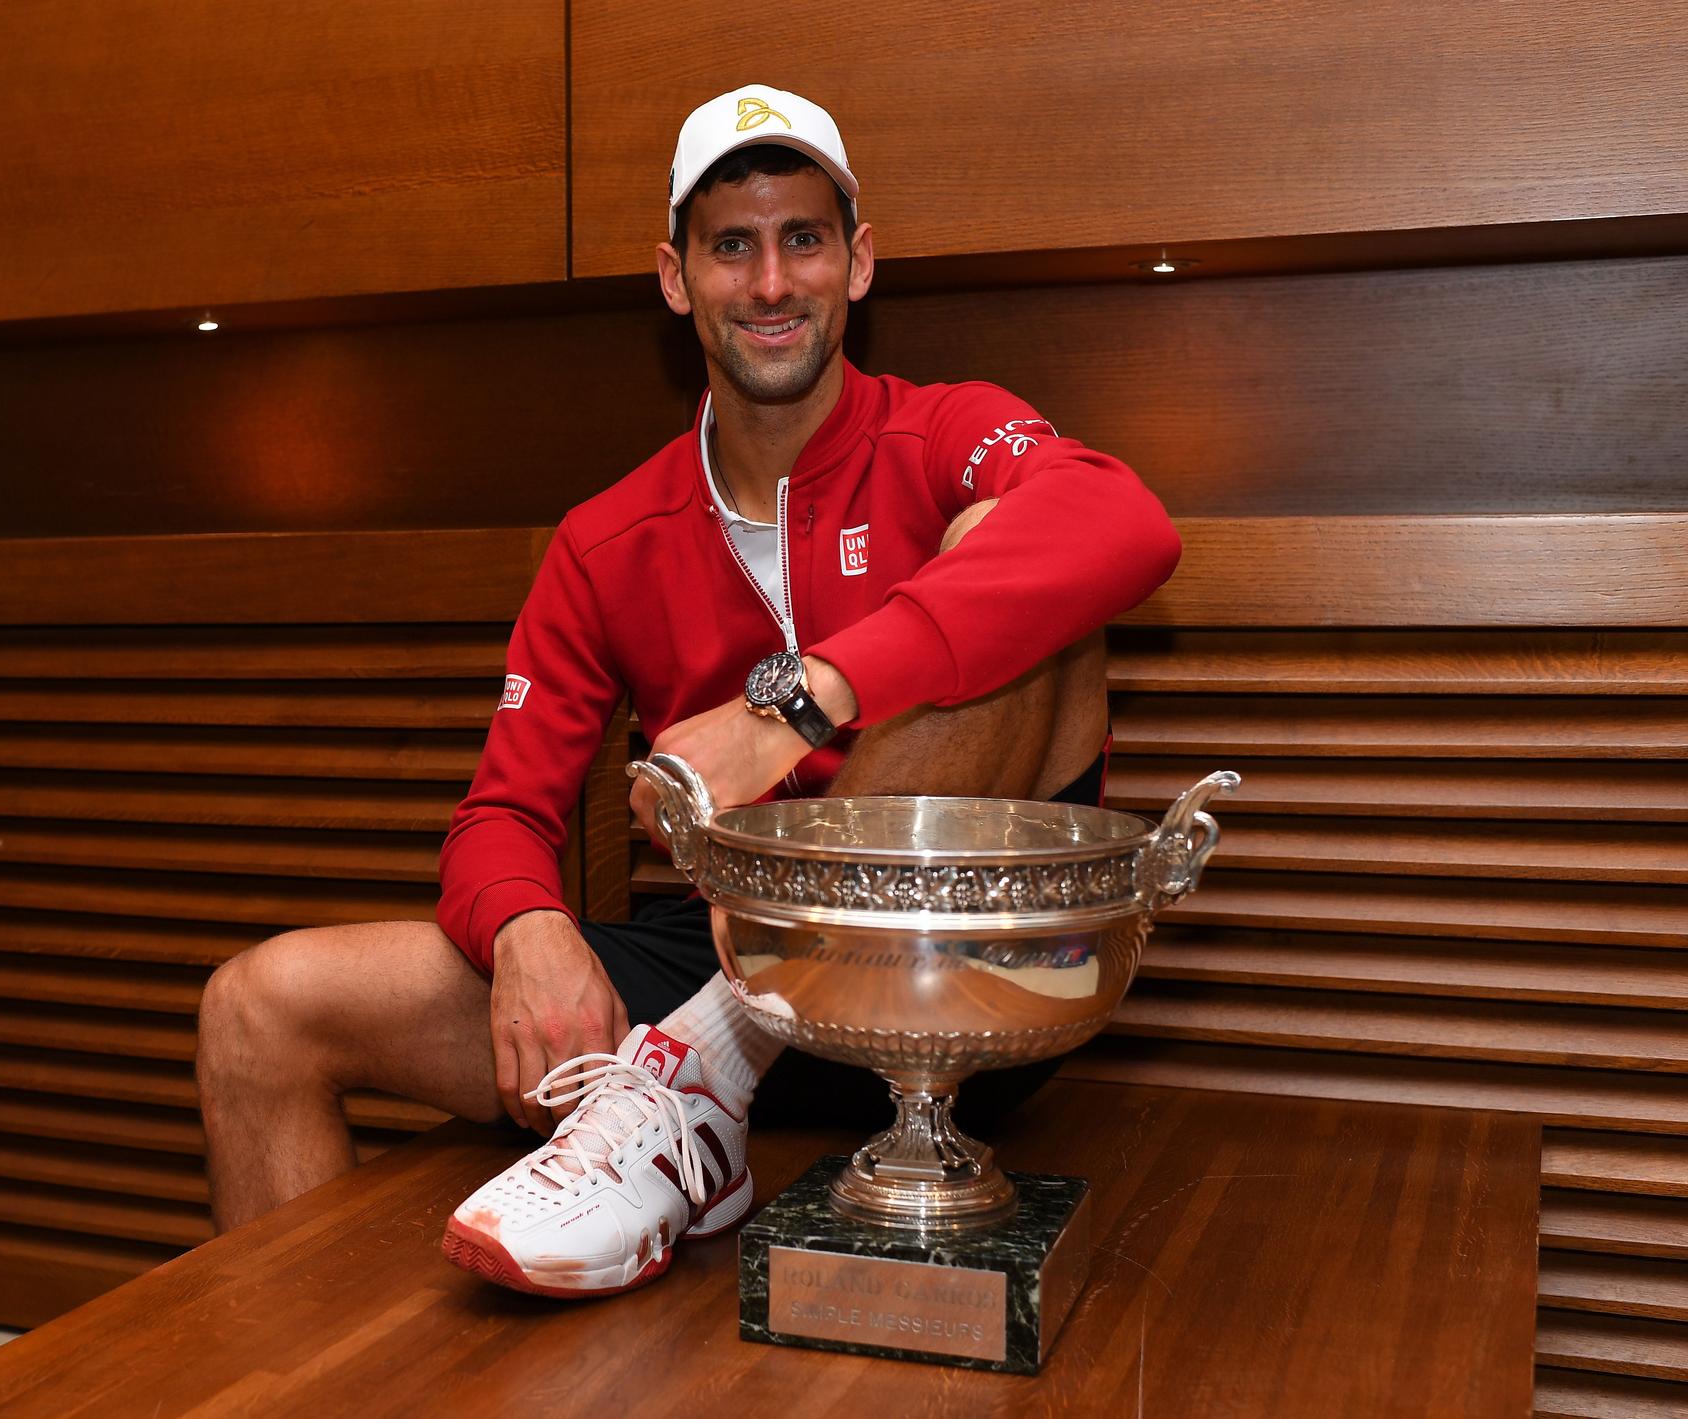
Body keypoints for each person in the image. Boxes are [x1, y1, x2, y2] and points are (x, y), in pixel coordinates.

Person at [195, 84, 1180, 1299]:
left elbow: (1124, 522)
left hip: (955, 972)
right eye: (731, 246)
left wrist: (802, 704)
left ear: (857, 261)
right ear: (676, 278)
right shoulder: (608, 536)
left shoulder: (940, 434)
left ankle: (712, 1061)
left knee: (1014, 555)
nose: (771, 282)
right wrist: (527, 929)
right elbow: (500, 817)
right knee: (260, 1007)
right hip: (706, 966)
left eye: (803, 238)